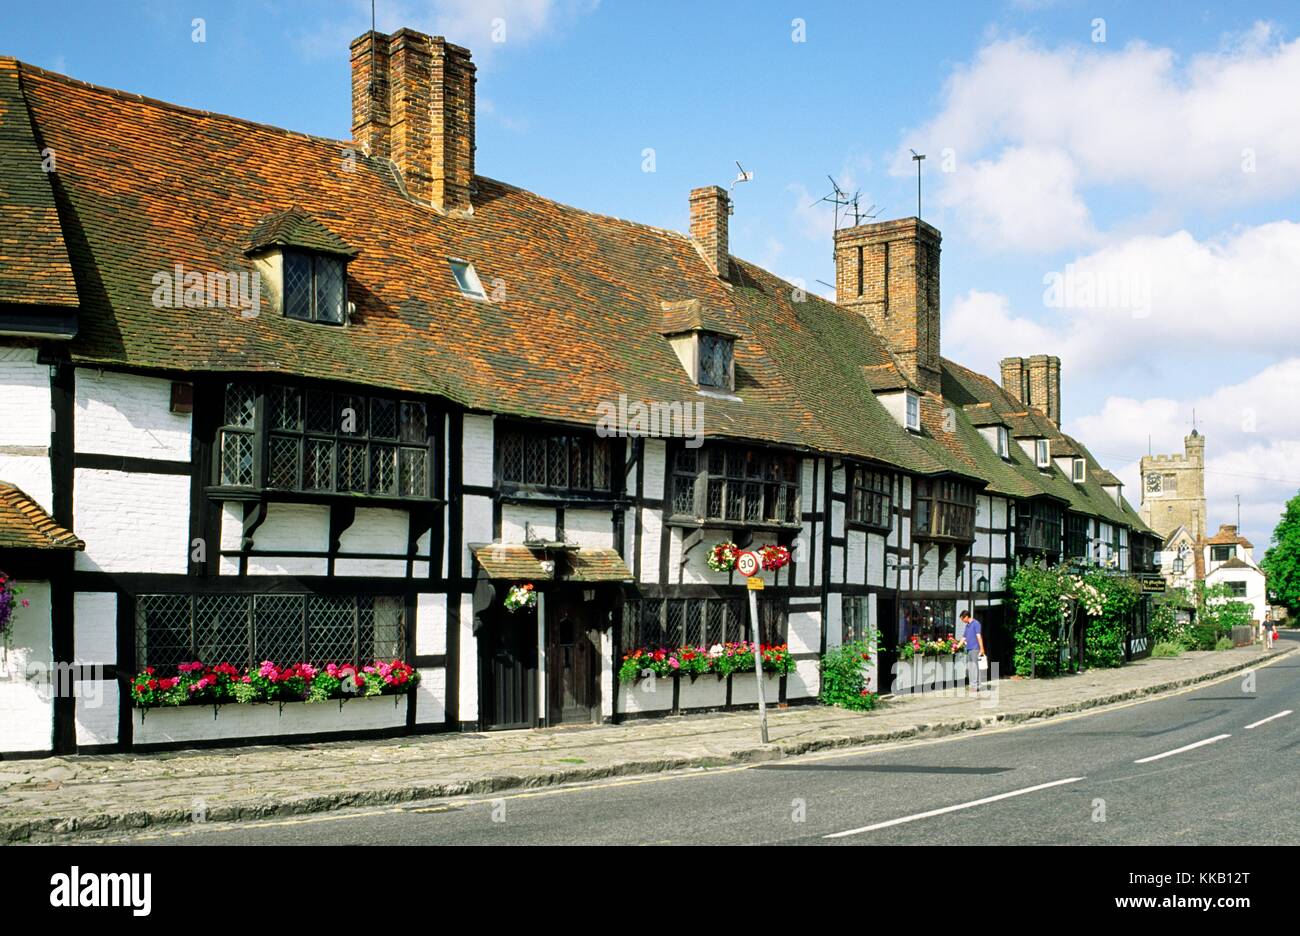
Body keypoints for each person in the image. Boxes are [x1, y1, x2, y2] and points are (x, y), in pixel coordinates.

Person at [959, 610, 987, 692]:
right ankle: (972, 685)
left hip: (975, 648)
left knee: (975, 668)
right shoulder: (967, 626)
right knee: (970, 668)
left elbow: (979, 636)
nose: (962, 621)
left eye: (962, 619)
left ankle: (976, 685)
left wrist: (982, 648)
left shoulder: (976, 623)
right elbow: (964, 638)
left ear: (967, 617)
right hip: (969, 649)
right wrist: (957, 646)